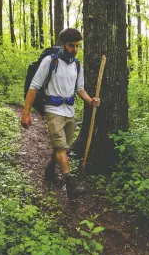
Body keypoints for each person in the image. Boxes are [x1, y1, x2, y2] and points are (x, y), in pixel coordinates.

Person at [21, 28, 100, 198]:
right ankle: (70, 185)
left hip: (69, 111)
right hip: (53, 110)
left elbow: (80, 89)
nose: (75, 49)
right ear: (63, 44)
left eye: (78, 46)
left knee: (62, 146)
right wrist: (25, 113)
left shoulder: (77, 65)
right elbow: (33, 87)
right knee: (61, 147)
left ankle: (50, 169)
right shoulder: (50, 61)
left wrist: (90, 100)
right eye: (71, 46)